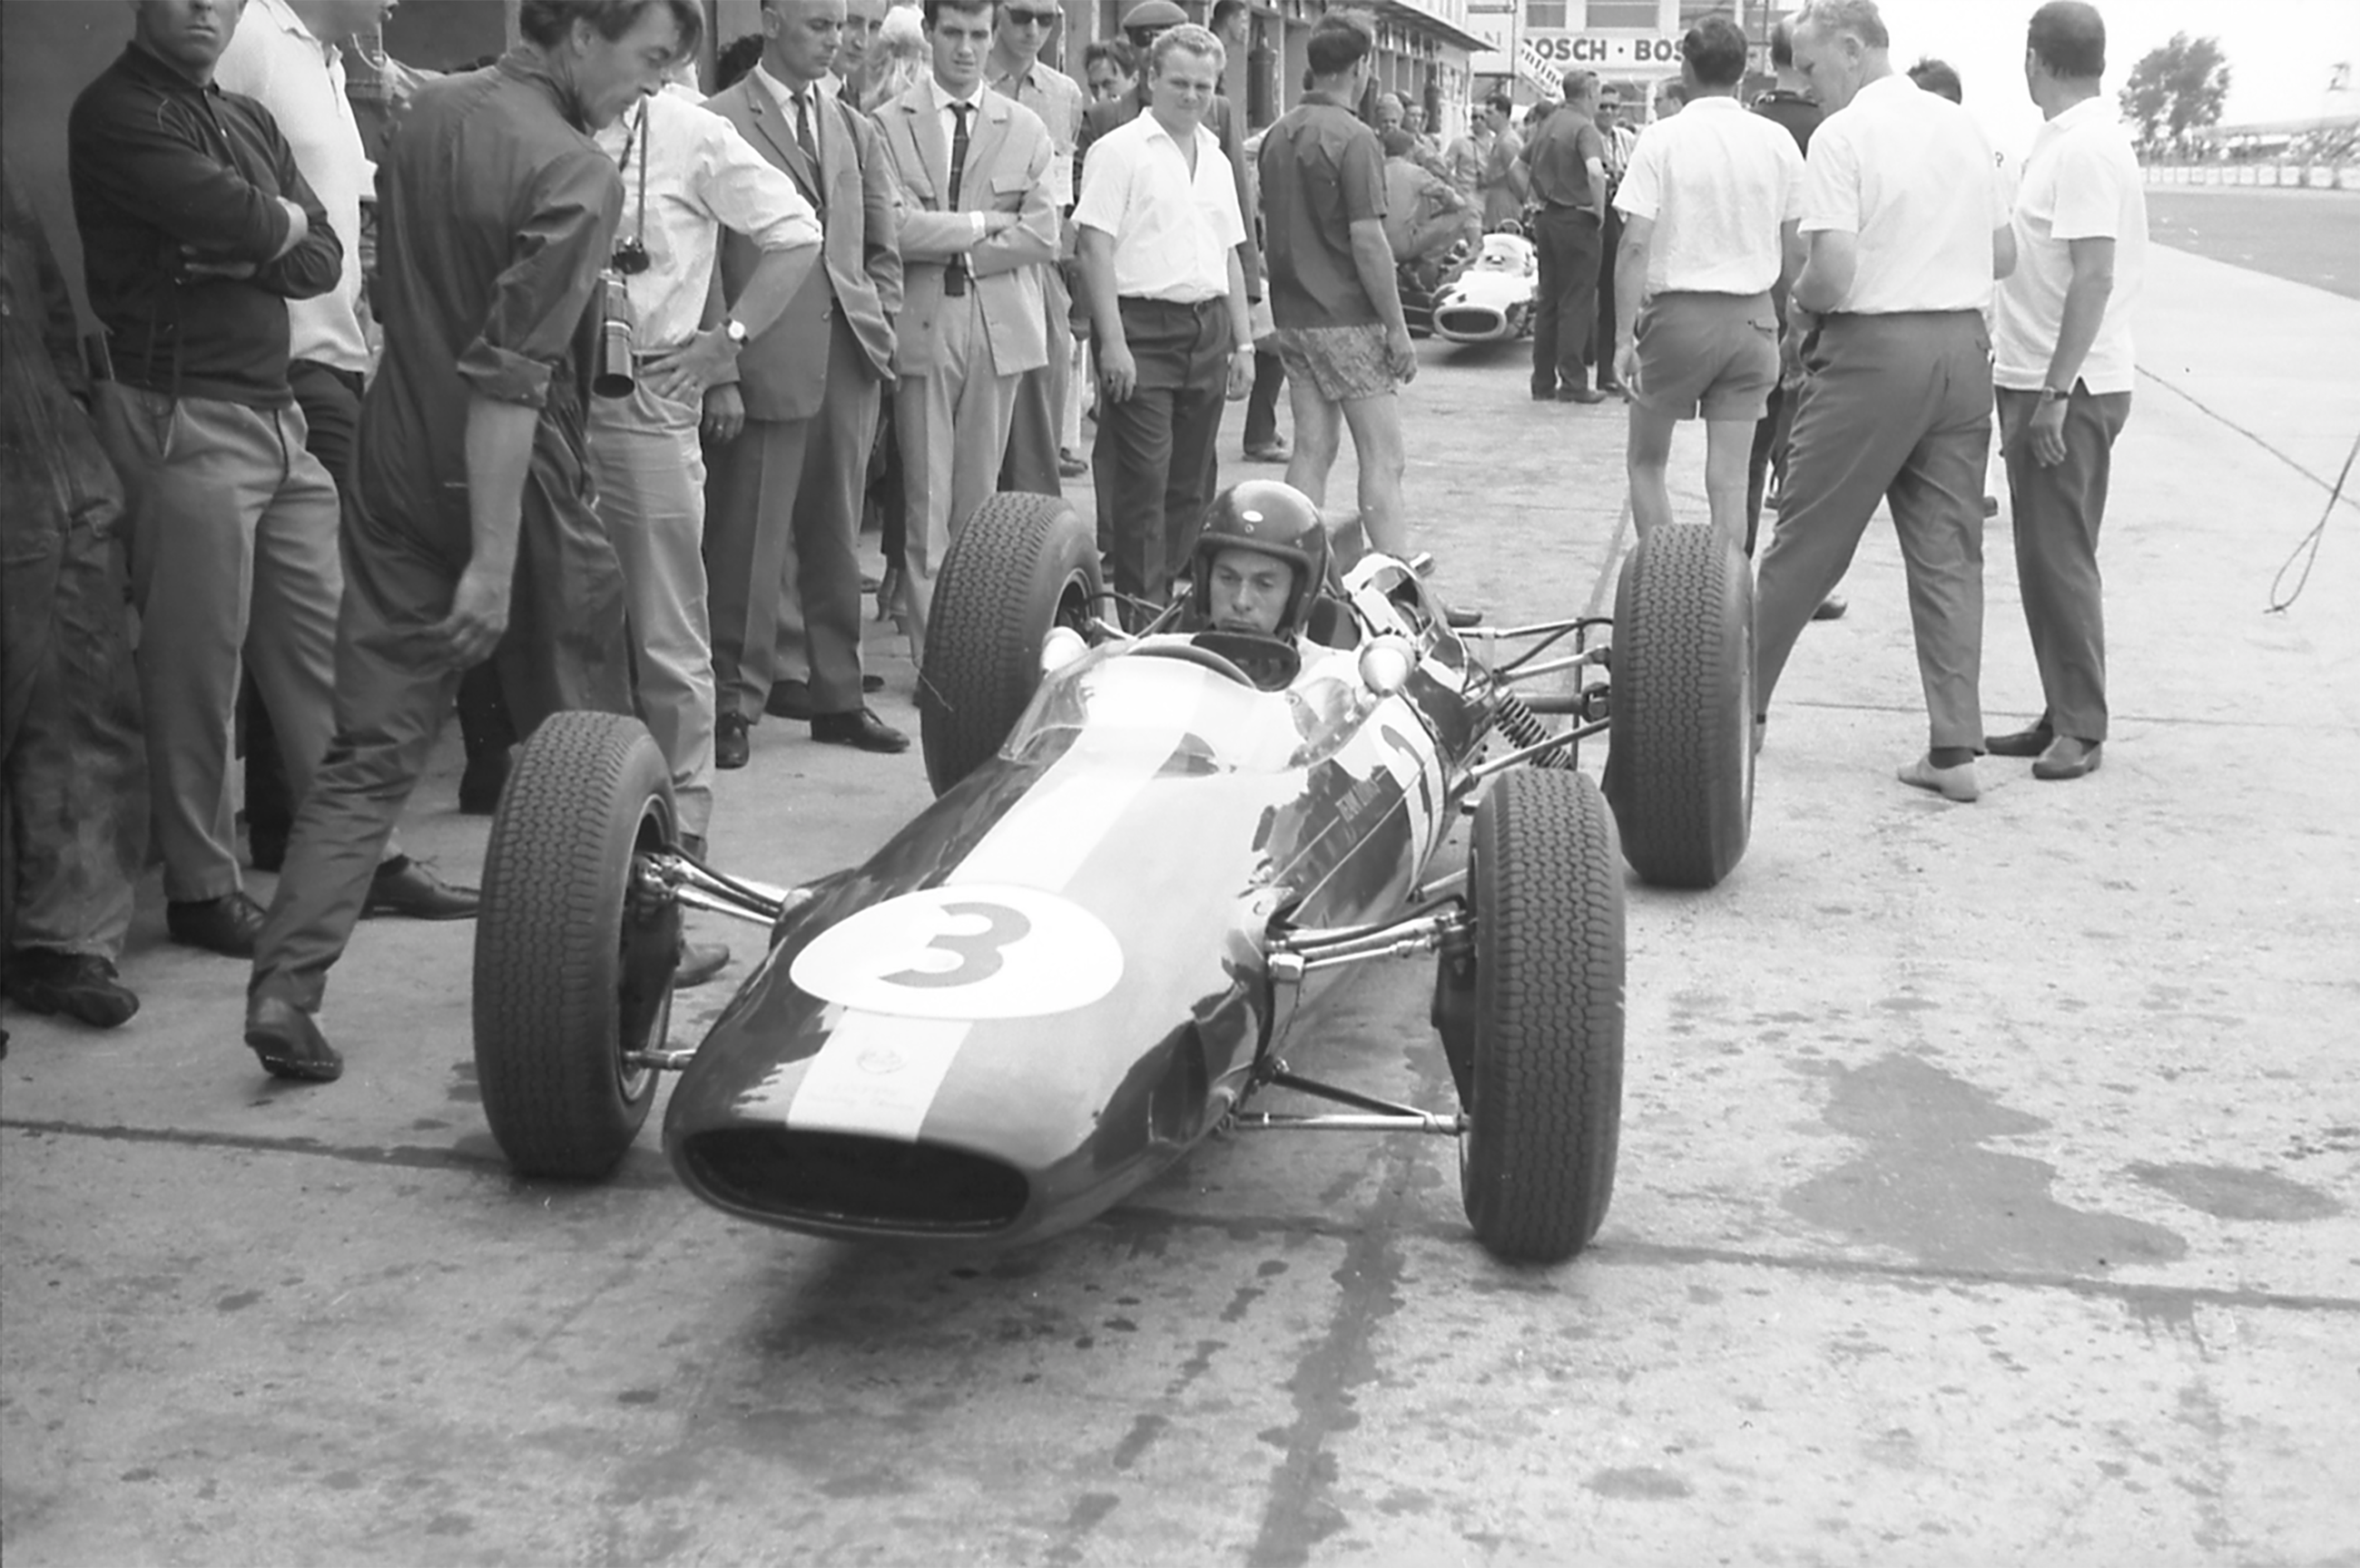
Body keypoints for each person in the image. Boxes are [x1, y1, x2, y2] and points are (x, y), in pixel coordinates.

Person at [244, 0, 703, 1082]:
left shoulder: (428, 117)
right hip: (511, 474)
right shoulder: (574, 171)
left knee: (371, 748)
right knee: (596, 739)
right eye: (646, 62)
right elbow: (508, 379)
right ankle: (649, 944)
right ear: (581, 35)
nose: (652, 88)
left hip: (396, 445)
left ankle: (283, 987)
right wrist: (494, 562)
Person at [211, 0, 482, 921]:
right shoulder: (251, 40)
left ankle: (299, 828)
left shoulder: (328, 58)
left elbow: (332, 184)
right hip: (284, 360)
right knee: (329, 618)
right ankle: (351, 849)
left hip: (333, 351)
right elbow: (226, 179)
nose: (397, 3)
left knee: (300, 621)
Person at [1752, 0, 2015, 804]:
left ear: (1855, 49)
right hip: (1961, 352)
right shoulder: (1965, 129)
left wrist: (1798, 311)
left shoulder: (1844, 135)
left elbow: (1830, 270)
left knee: (1807, 542)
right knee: (1948, 553)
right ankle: (1952, 748)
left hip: (1875, 354)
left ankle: (1734, 708)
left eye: (1814, 65)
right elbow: (2002, 253)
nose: (1809, 83)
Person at [587, 67, 822, 856]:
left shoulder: (688, 132)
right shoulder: (535, 119)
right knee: (567, 619)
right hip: (540, 395)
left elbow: (796, 231)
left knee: (665, 625)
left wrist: (727, 344)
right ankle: (582, 818)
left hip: (647, 393)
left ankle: (681, 828)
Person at [703, 0, 906, 763]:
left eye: (847, 25)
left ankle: (837, 696)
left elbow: (877, 240)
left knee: (836, 540)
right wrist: (721, 364)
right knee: (746, 542)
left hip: (847, 356)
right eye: (822, 24)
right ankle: (734, 703)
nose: (839, 40)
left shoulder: (852, 123)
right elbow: (705, 254)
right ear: (774, 17)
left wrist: (878, 327)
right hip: (761, 359)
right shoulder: (719, 117)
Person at [0, 165, 147, 1030]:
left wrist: (84, 444)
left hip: (60, 491)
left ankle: (67, 943)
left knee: (85, 716)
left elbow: (53, 318)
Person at [1987, 0, 2145, 782]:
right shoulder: (2057, 143)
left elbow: (2094, 274)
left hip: (2065, 386)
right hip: (2038, 377)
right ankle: (2062, 707)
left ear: (2036, 60)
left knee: (2061, 557)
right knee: (2043, 559)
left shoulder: (2085, 149)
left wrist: (2055, 392)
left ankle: (2081, 725)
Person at [874, 0, 1059, 661]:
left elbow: (1042, 233)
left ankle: (969, 644)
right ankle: (933, 654)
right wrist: (984, 224)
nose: (966, 48)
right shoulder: (887, 125)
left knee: (979, 503)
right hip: (924, 320)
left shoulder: (1028, 128)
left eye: (979, 35)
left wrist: (945, 235)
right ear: (929, 35)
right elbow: (893, 230)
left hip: (1000, 324)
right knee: (926, 499)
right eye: (952, 33)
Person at [1075, 23, 1255, 623]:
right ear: (1150, 79)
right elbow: (1094, 248)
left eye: (1203, 85)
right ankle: (1139, 617)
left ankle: (1171, 602)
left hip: (1207, 332)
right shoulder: (1119, 151)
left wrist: (1245, 342)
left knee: (1191, 486)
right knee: (1144, 485)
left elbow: (1230, 252)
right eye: (1178, 81)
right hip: (1141, 330)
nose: (1191, 95)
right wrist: (1114, 344)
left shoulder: (1218, 159)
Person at [1609, 14, 1804, 554]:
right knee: (1730, 480)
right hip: (1753, 320)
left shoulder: (1663, 138)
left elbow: (1633, 244)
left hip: (1678, 321)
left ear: (1686, 68)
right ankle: (1724, 598)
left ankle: (1667, 582)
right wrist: (1794, 327)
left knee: (1647, 461)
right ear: (1744, 73)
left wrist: (1624, 338)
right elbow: (1795, 253)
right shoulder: (1777, 142)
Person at [1256, 12, 1420, 559]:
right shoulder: (1356, 136)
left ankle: (1288, 565)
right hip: (1347, 314)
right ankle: (1402, 581)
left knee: (1313, 446)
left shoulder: (1278, 133)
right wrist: (1397, 327)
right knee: (1383, 457)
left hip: (1295, 316)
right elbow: (1368, 241)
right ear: (1361, 68)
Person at [1077, 1, 1261, 309]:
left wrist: (1250, 290)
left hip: (1206, 293)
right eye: (1142, 38)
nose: (1152, 45)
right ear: (1132, 50)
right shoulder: (1105, 117)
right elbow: (1087, 212)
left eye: (1164, 35)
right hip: (1135, 290)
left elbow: (1238, 203)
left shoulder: (1216, 111)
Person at [988, 0, 1087, 495]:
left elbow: (1063, 190)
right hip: (974, 255)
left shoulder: (1063, 92)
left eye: (1045, 19)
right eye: (1021, 16)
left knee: (1045, 392)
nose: (1033, 30)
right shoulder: (968, 75)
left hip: (1042, 262)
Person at [1745, 15, 1823, 556]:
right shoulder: (1830, 128)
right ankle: (1798, 578)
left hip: (1755, 302)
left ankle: (1733, 570)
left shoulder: (1750, 127)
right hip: (1814, 301)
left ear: (1772, 61)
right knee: (1805, 453)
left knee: (1745, 456)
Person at [1521, 67, 1610, 403]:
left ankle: (1542, 381)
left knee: (1549, 301)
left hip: (1547, 217)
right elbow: (1594, 172)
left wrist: (1532, 197)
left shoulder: (1549, 124)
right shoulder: (1585, 129)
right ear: (1589, 94)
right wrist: (1599, 211)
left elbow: (1519, 165)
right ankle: (1573, 382)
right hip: (1577, 219)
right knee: (1576, 301)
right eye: (1599, 95)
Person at [1186, 480, 1331, 642]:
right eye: (1227, 579)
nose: (1241, 602)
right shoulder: (1160, 654)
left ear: (1296, 598)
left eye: (1264, 585)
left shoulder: (1332, 666)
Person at [1380, 127, 1479, 286]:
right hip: (1402, 245)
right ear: (1410, 150)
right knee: (1464, 211)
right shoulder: (1416, 173)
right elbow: (1457, 202)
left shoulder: (1374, 170)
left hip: (1374, 240)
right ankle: (1421, 262)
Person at [1590, 83, 1638, 397]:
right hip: (1595, 219)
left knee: (1614, 297)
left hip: (1621, 218)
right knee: (1587, 297)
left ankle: (1610, 372)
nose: (1608, 112)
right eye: (1603, 106)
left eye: (1613, 108)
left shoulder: (1627, 140)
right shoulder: (1588, 136)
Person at [1475, 94, 1525, 231]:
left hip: (1505, 204)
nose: (1485, 117)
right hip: (1495, 202)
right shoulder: (1500, 140)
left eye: (1490, 113)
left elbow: (1519, 178)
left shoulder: (1508, 142)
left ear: (1503, 114)